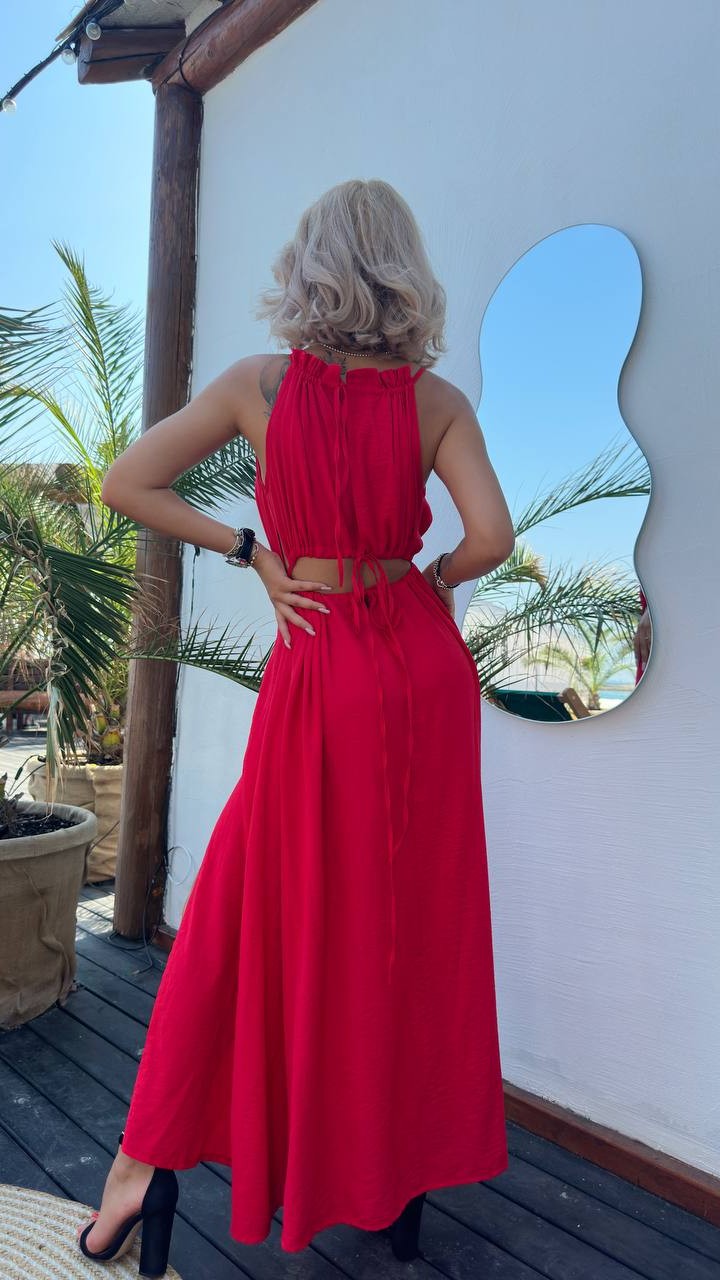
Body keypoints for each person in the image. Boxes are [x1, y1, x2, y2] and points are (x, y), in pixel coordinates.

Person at [76, 178, 515, 1271]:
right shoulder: (434, 400)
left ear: (309, 265)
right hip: (418, 669)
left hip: (321, 658)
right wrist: (431, 581)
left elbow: (127, 482)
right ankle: (394, 1170)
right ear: (404, 271)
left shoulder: (257, 386)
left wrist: (252, 552)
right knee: (404, 918)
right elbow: (492, 538)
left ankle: (142, 1164)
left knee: (247, 906)